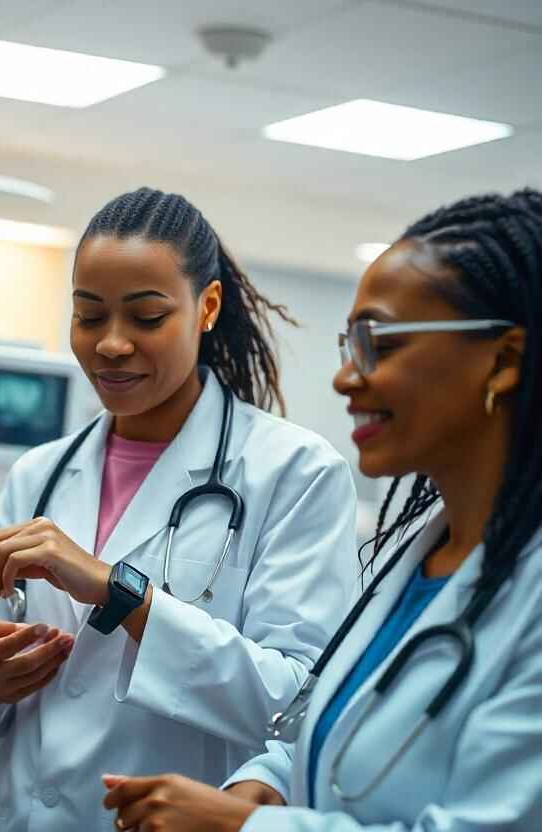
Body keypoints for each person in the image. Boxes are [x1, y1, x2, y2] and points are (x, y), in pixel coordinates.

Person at [102, 187, 542, 831]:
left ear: (502, 361)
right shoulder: (418, 553)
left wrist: (243, 828)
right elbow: (333, 720)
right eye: (349, 344)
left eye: (379, 344)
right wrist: (268, 780)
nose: (344, 378)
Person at [0, 187, 359, 831]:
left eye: (145, 317)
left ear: (207, 307)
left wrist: (122, 593)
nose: (111, 344)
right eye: (89, 315)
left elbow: (300, 705)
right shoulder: (38, 474)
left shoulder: (294, 473)